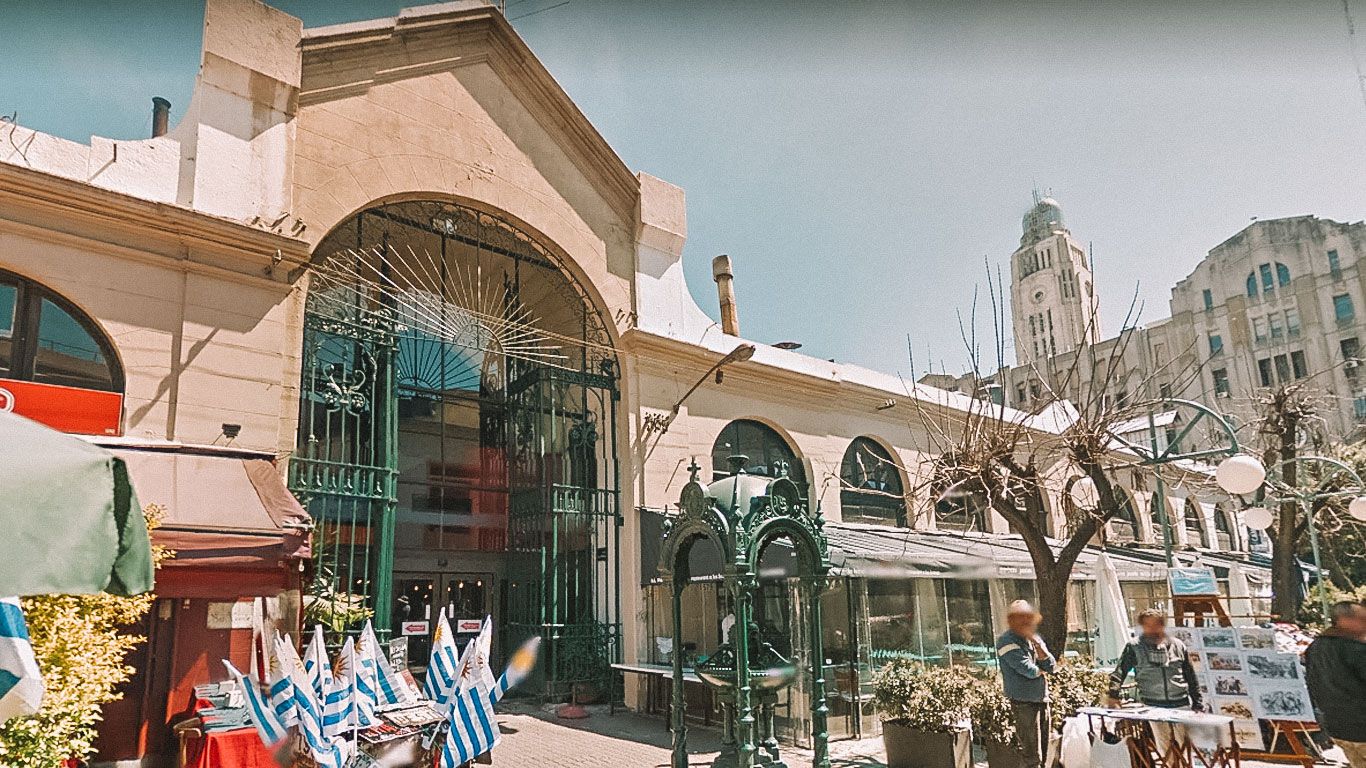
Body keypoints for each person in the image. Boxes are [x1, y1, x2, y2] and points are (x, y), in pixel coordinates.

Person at [1305, 601, 1366, 767]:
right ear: (1345, 621)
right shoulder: (1355, 649)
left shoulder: (1315, 647)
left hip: (1337, 727)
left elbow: (1312, 684)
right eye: (1362, 619)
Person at [996, 600, 1056, 768]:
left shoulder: (1033, 639)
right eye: (1021, 618)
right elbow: (1028, 670)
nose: (1026, 623)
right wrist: (1041, 669)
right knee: (1031, 756)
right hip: (1023, 704)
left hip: (1041, 700)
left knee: (1044, 753)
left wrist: (1038, 645)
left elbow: (1051, 666)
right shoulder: (1006, 641)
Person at [1107, 608, 1204, 711]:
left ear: (1162, 625)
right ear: (1142, 626)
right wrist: (1113, 696)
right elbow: (1119, 672)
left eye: (1156, 624)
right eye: (1147, 625)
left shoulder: (1178, 646)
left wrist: (1197, 702)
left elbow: (1191, 676)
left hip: (1181, 705)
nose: (1152, 628)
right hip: (1151, 706)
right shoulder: (1134, 647)